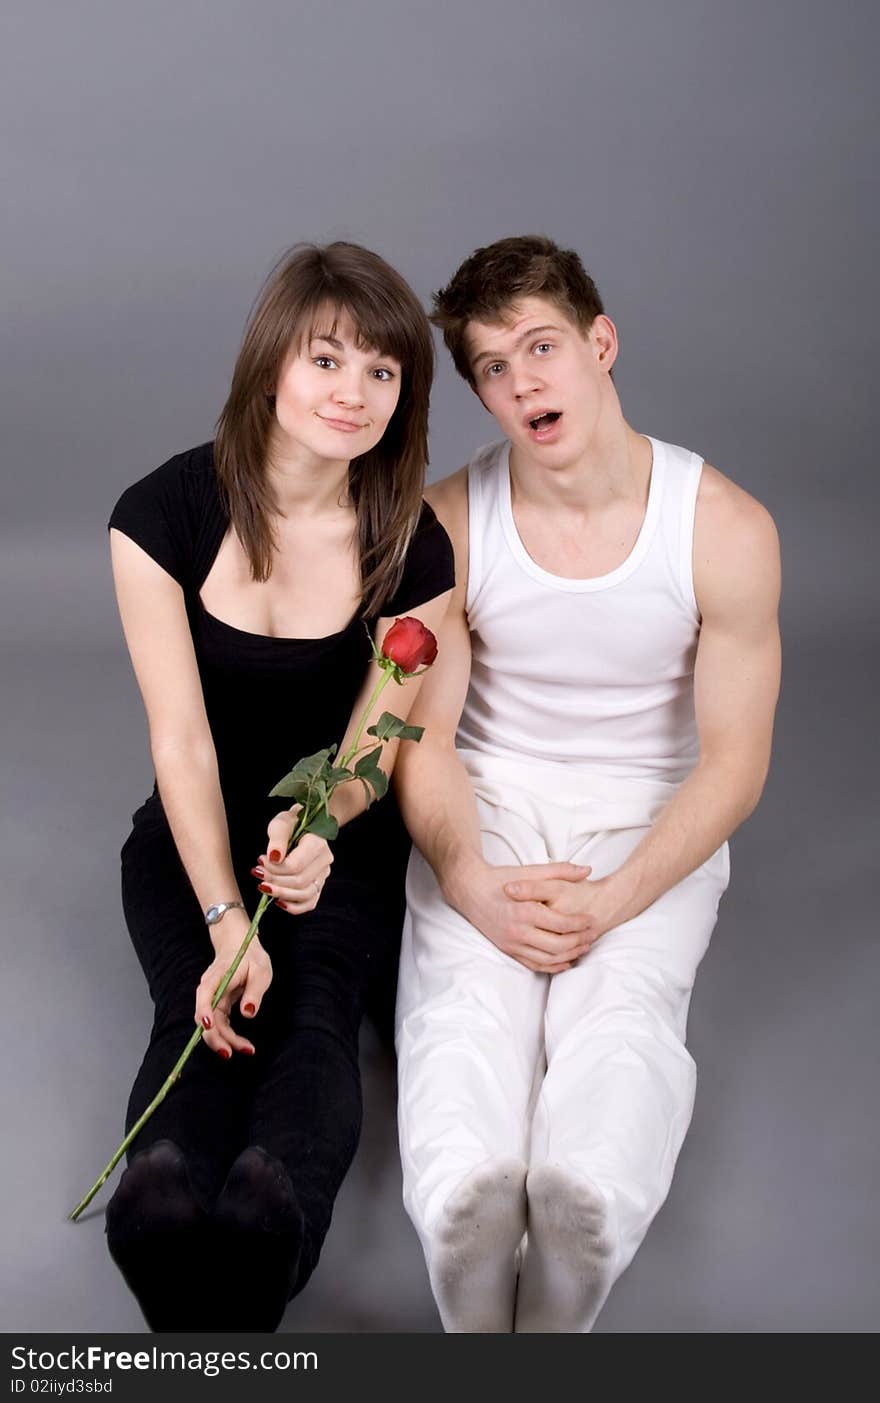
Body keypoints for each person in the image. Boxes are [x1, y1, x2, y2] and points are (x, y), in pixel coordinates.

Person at [393, 235, 781, 1332]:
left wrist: (615, 896)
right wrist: (468, 874)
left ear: (600, 343)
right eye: (493, 367)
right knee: (466, 1013)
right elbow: (422, 736)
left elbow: (733, 760)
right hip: (490, 800)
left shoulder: (724, 529)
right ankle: (463, 1218)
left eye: (543, 348)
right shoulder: (451, 520)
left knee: (623, 1014)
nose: (524, 384)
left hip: (649, 816)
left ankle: (583, 1221)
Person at [104, 241, 454, 1332]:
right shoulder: (160, 515)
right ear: (270, 366)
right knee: (203, 1012)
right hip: (191, 838)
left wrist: (319, 835)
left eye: (383, 372)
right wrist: (222, 916)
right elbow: (182, 741)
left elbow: (371, 749)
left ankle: (266, 1247)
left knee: (309, 1026)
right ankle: (158, 1225)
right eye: (328, 360)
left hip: (333, 845)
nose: (354, 393)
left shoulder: (412, 546)